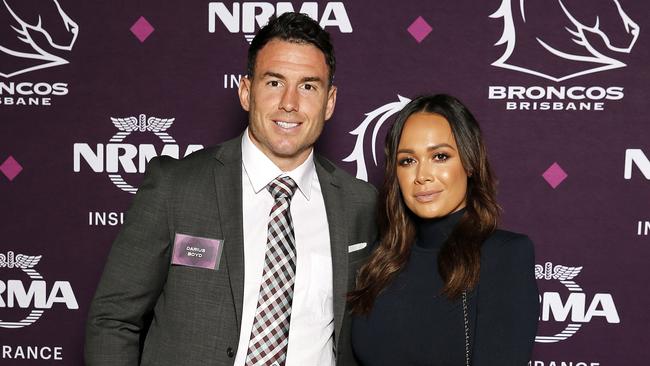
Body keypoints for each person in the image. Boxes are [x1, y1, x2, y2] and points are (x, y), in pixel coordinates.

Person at [85, 12, 377, 366]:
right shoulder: (176, 187)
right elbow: (113, 319)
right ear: (245, 91)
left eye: (308, 86)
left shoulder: (360, 204)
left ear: (329, 102)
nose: (290, 102)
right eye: (273, 82)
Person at [349, 94, 538, 365]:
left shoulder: (504, 256)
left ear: (470, 162)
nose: (422, 175)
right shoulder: (381, 260)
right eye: (407, 161)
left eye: (440, 156)